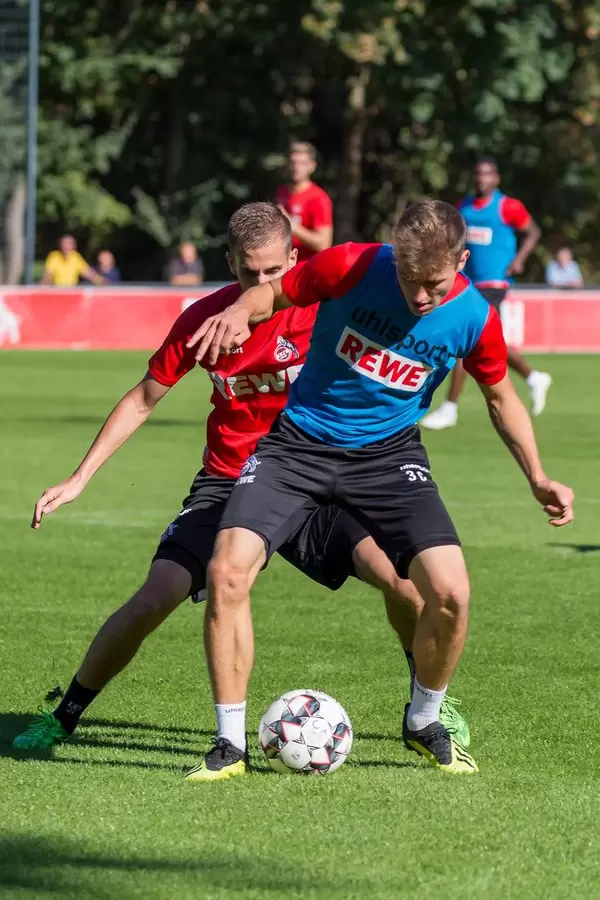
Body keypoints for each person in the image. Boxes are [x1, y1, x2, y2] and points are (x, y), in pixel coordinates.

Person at [12, 202, 468, 763]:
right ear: (230, 263)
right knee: (154, 597)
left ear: (294, 260)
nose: (261, 282)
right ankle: (64, 715)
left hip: (315, 476)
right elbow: (143, 398)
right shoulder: (204, 321)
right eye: (249, 271)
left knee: (404, 585)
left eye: (273, 270)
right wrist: (80, 477)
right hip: (229, 480)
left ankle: (428, 704)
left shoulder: (329, 309)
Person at [187, 200, 574, 778]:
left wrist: (537, 475)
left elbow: (500, 398)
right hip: (297, 445)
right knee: (226, 570)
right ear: (395, 257)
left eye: (433, 284)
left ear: (461, 262)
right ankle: (229, 745)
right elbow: (274, 292)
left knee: (451, 592)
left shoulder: (474, 316)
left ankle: (424, 721)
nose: (420, 297)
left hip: (390, 458)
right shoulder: (354, 265)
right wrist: (242, 308)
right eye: (408, 280)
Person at [421, 158, 551, 430]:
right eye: (478, 174)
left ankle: (450, 408)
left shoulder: (508, 206)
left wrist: (519, 259)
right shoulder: (464, 206)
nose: (482, 179)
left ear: (497, 178)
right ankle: (533, 377)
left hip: (495, 282)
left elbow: (533, 231)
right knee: (488, 341)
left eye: (488, 174)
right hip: (468, 281)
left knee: (465, 339)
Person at [276, 141, 333, 261]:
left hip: (306, 268)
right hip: (284, 266)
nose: (296, 168)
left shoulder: (318, 198)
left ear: (312, 166)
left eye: (302, 163)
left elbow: (324, 244)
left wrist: (292, 226)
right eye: (293, 162)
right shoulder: (282, 192)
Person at [41, 234, 105, 287]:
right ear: (60, 245)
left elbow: (89, 274)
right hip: (57, 291)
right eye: (64, 243)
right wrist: (42, 287)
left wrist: (103, 282)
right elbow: (48, 275)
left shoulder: (76, 257)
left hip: (71, 291)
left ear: (74, 246)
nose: (66, 246)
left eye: (69, 244)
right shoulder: (54, 256)